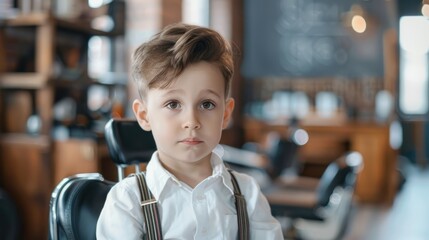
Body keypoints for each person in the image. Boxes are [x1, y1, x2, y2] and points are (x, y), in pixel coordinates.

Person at [96, 23, 283, 239]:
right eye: (173, 104)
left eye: (207, 104)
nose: (192, 122)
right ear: (144, 115)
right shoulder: (127, 201)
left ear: (225, 113)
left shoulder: (247, 193)